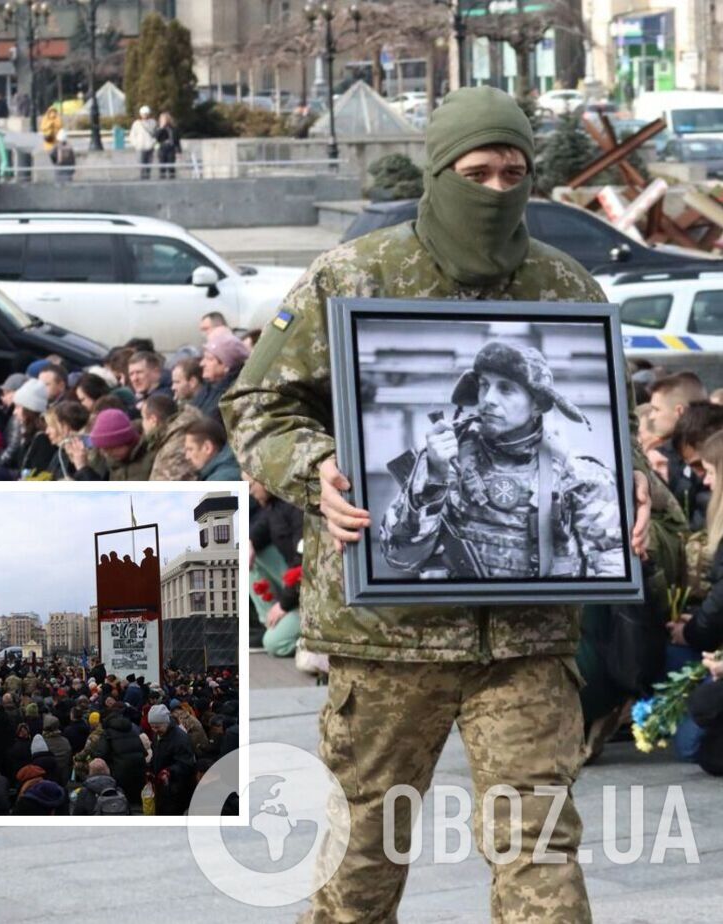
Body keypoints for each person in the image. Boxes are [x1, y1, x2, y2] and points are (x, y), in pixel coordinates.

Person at [222, 86, 642, 921]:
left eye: (513, 172)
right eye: (476, 171)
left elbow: (612, 432)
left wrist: (634, 493)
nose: (495, 190)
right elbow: (258, 402)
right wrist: (322, 469)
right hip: (385, 636)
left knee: (541, 849)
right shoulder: (351, 274)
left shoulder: (566, 289)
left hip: (526, 634)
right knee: (365, 856)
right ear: (439, 171)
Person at [378, 341, 625, 579]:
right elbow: (399, 558)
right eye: (485, 385)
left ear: (538, 404)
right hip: (451, 617)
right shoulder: (443, 459)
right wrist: (434, 479)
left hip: (541, 617)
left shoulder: (579, 474)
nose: (488, 399)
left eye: (506, 388)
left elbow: (613, 569)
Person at [67, 408, 152, 481]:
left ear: (125, 441)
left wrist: (83, 469)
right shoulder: (113, 461)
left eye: (109, 449)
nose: (105, 453)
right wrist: (81, 466)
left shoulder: (151, 458)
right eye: (102, 449)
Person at [142, 394, 204, 482]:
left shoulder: (172, 451)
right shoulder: (176, 434)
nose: (142, 423)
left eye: (143, 418)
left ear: (153, 420)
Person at [184, 415, 243, 481]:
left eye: (190, 449)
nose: (187, 457)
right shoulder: (233, 463)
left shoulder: (220, 480)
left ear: (207, 448)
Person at [130, 105, 159, 180]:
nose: (145, 115)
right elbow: (132, 135)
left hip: (150, 147)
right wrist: (136, 144)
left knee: (149, 165)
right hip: (140, 147)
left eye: (146, 113)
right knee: (141, 165)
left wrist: (153, 143)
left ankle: (147, 178)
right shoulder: (136, 123)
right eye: (143, 113)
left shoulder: (153, 123)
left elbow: (156, 134)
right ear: (141, 114)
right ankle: (142, 178)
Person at [156, 110, 182, 179]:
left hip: (171, 149)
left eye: (164, 119)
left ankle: (172, 182)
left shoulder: (173, 128)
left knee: (171, 167)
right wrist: (161, 128)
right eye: (161, 119)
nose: (162, 120)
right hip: (162, 149)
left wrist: (179, 151)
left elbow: (177, 141)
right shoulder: (159, 128)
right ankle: (162, 181)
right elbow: (157, 138)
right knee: (162, 168)